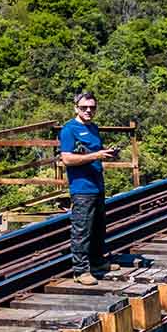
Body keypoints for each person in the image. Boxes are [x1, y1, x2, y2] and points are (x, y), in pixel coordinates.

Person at [59, 91, 119, 285]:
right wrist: (96, 156)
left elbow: (93, 153)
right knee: (82, 230)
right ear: (76, 107)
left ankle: (97, 262)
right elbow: (67, 158)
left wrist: (108, 154)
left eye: (92, 107)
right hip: (82, 188)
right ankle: (81, 270)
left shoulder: (93, 128)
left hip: (97, 184)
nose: (88, 110)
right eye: (84, 107)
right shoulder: (69, 129)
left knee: (98, 227)